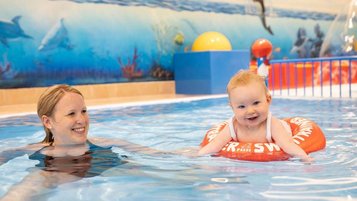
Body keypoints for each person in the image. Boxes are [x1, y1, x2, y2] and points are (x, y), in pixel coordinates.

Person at [0, 84, 162, 200]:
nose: (81, 119)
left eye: (83, 111)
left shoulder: (103, 144)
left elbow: (156, 154)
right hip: (56, 170)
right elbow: (6, 154)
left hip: (103, 164)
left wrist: (183, 154)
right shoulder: (39, 150)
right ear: (48, 122)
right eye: (71, 114)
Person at [198, 70, 313, 163]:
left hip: (284, 133)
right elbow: (215, 144)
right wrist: (199, 156)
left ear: (268, 100)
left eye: (256, 103)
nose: (250, 111)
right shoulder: (233, 126)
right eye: (242, 106)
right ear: (232, 108)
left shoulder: (272, 125)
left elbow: (288, 145)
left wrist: (305, 158)